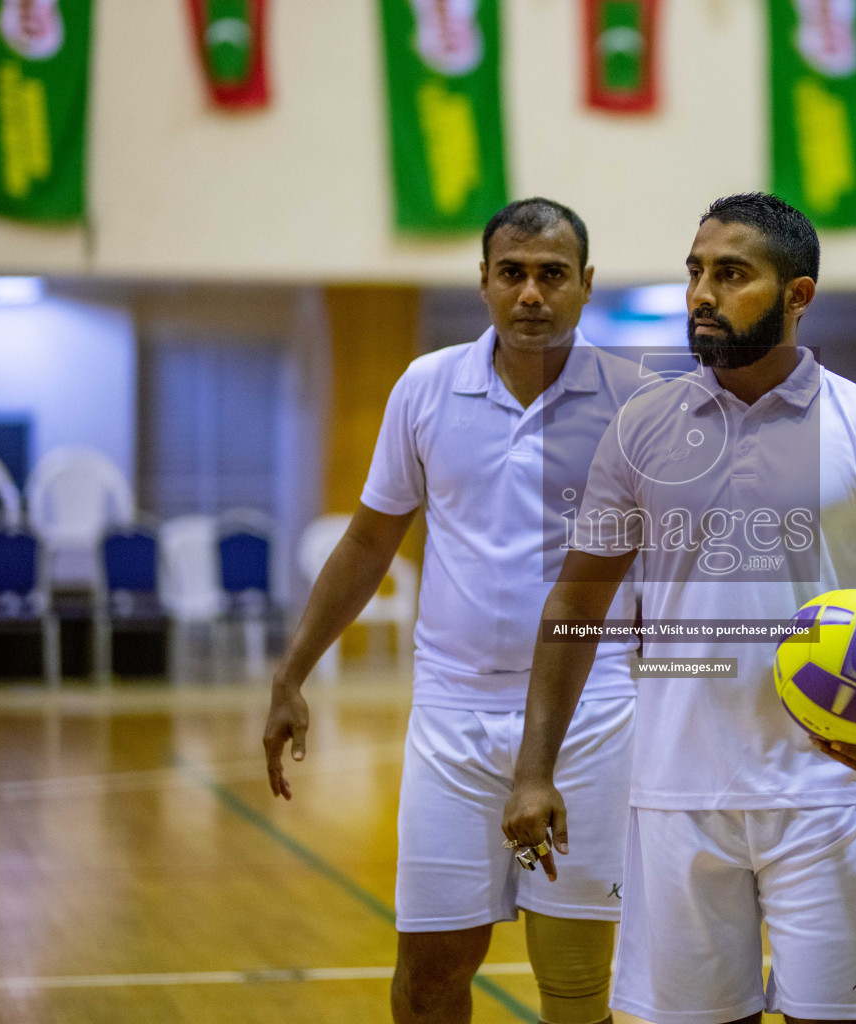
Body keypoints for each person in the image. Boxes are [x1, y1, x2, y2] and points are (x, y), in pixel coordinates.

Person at [502, 193, 856, 1024]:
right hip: (678, 790)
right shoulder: (642, 428)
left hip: (825, 793)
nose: (701, 294)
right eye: (694, 271)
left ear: (798, 296)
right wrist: (534, 769)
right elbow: (576, 603)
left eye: (731, 274)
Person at [263, 198, 643, 1024]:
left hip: (593, 712)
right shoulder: (427, 387)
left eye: (551, 275)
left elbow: (677, 568)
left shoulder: (635, 403)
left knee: (575, 982)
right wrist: (292, 671)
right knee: (430, 973)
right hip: (453, 712)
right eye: (513, 274)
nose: (531, 294)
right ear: (483, 283)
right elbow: (368, 543)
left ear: (585, 285)